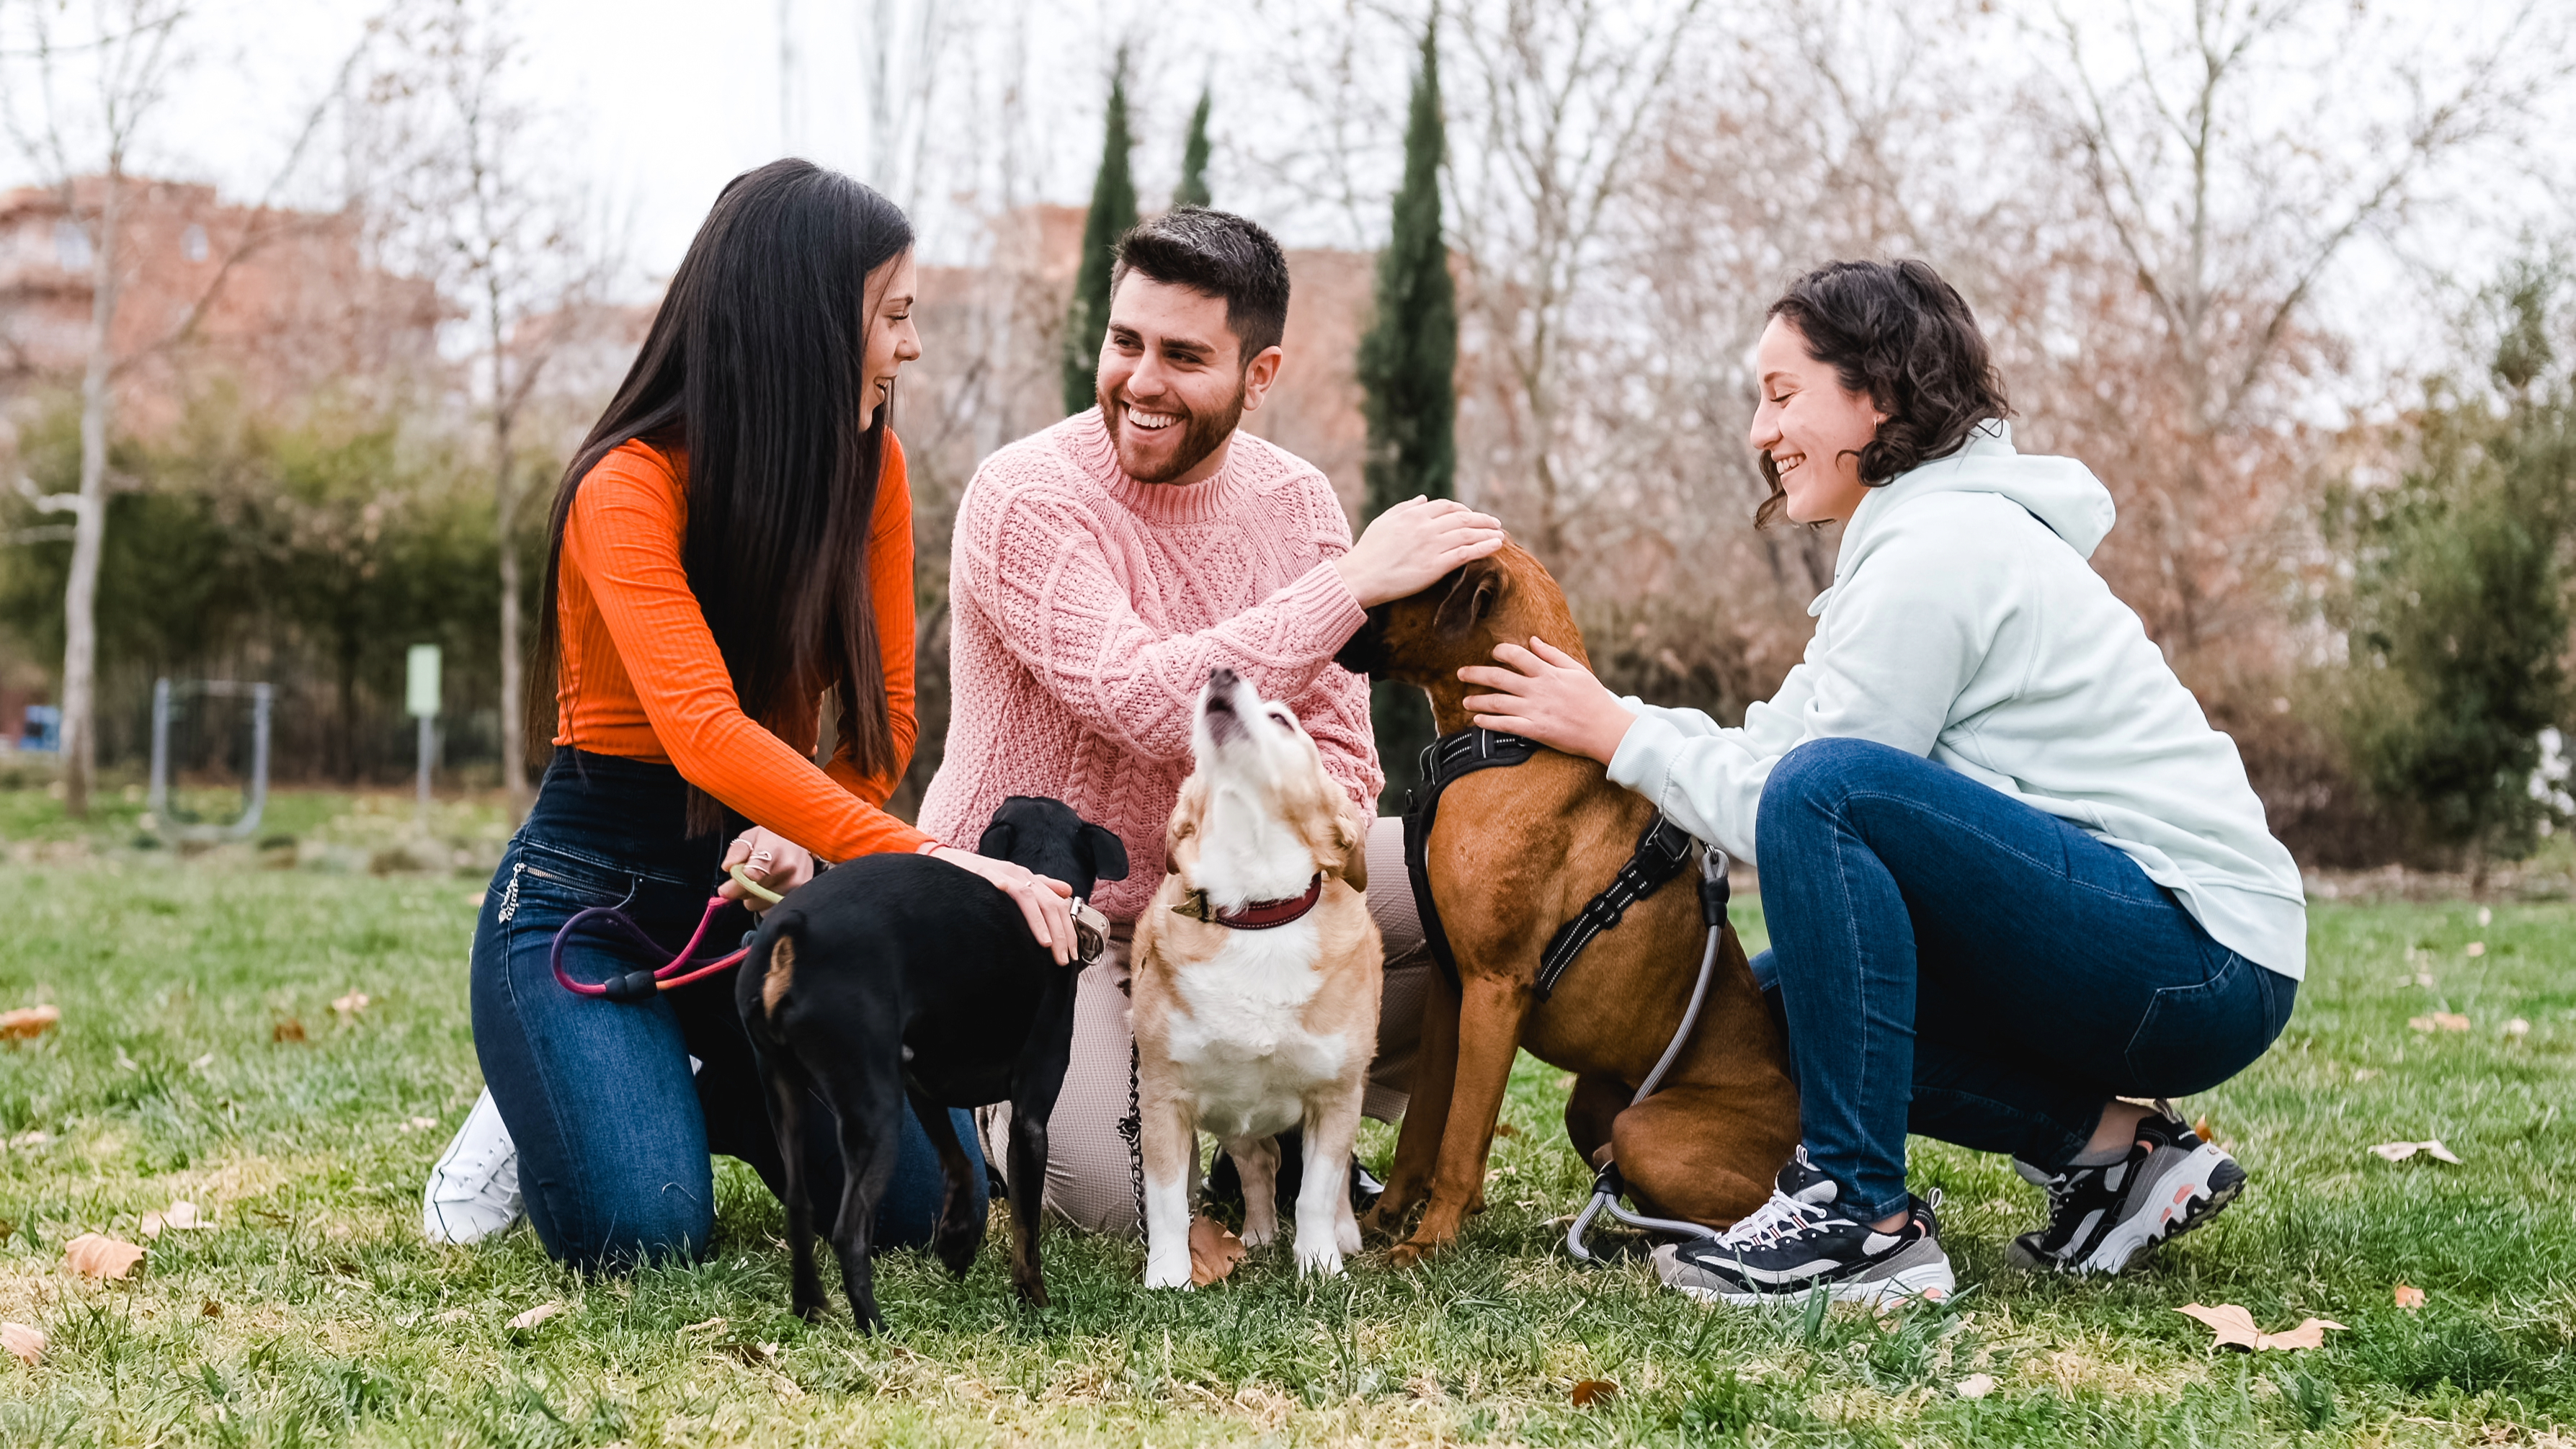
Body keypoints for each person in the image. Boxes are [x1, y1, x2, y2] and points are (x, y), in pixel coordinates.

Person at [1458, 259, 2304, 1304]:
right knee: (1762, 1022)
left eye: (1782, 395)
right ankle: (2120, 1158)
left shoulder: (1939, 550)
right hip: (2143, 943)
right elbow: (1780, 750)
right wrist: (1615, 723)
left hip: (2198, 956)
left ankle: (1863, 1221)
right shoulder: (1912, 539)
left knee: (1828, 794)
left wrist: (1622, 735)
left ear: (1882, 393)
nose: (1759, 433)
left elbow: (1801, 801)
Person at [422, 160, 1077, 1267]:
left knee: (921, 1214)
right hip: (594, 898)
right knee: (644, 1232)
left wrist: (816, 833)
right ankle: (559, 1086)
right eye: (894, 316)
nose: (909, 347)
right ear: (803, 324)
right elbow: (701, 730)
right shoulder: (623, 486)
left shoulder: (872, 468)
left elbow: (888, 725)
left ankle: (684, 1078)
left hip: (764, 911)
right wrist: (947, 863)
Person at [918, 206, 1506, 1236]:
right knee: (1106, 1195)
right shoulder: (1026, 497)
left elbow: (1343, 758)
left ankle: (1284, 1112)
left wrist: (1262, 904)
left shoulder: (1296, 503)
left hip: (1223, 903)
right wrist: (1350, 587)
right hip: (1056, 919)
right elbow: (1144, 700)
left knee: (1476, 882)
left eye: (1184, 356)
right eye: (1125, 341)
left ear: (1260, 373)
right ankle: (1037, 1106)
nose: (1141, 382)